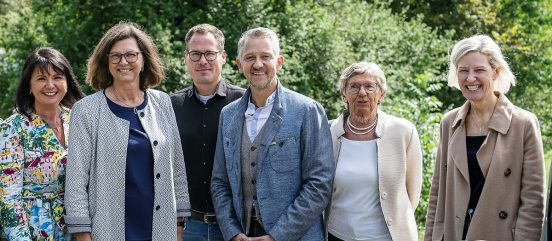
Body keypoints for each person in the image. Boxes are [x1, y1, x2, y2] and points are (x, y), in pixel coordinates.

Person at [64, 22, 190, 241]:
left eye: (131, 55)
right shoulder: (86, 110)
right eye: (115, 56)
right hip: (108, 230)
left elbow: (177, 168)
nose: (123, 62)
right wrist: (83, 235)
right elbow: (76, 181)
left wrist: (179, 225)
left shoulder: (162, 102)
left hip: (160, 230)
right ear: (106, 62)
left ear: (143, 60)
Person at [211, 27, 334, 241]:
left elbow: (319, 184)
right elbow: (219, 182)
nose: (258, 64)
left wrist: (277, 236)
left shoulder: (307, 110)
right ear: (239, 65)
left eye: (265, 57)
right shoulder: (228, 115)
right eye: (250, 57)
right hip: (243, 235)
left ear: (279, 62)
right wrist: (232, 233)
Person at [424, 34, 545, 241]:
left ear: (496, 72)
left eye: (479, 70)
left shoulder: (523, 123)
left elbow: (533, 201)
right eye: (463, 71)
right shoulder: (449, 122)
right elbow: (437, 193)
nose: (470, 78)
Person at [325, 62, 422, 241]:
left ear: (381, 95)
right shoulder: (326, 132)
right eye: (354, 86)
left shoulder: (403, 132)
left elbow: (412, 193)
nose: (362, 92)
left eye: (370, 86)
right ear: (344, 94)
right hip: (336, 236)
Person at [0, 47, 85, 240]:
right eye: (41, 78)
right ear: (29, 85)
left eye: (57, 77)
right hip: (34, 231)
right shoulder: (14, 128)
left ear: (67, 82)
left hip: (77, 229)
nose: (50, 85)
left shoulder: (78, 120)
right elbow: (8, 200)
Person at [171, 24, 244, 241]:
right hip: (187, 226)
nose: (202, 60)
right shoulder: (171, 105)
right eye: (195, 54)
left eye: (209, 53)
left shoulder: (244, 102)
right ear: (186, 58)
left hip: (235, 225)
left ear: (222, 57)